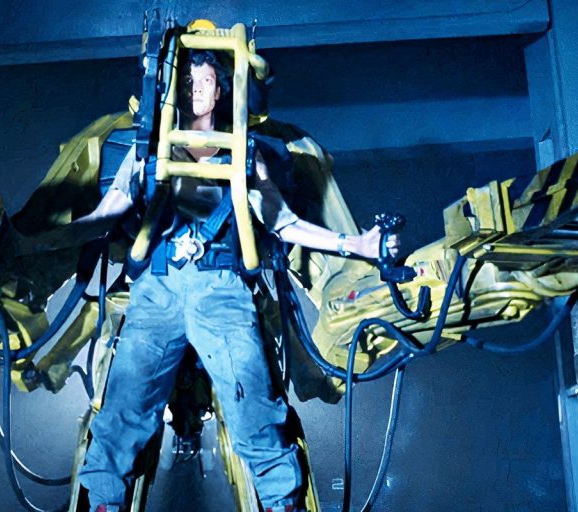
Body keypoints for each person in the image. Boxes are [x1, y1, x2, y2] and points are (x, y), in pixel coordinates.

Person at [25, 50, 397, 512]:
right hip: (156, 289)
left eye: (204, 80)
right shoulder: (145, 149)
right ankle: (104, 502)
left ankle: (282, 502)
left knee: (254, 407)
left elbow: (282, 221)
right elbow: (104, 216)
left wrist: (353, 244)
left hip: (222, 289)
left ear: (221, 90)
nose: (195, 89)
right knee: (123, 409)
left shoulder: (245, 152)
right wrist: (32, 242)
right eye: (186, 81)